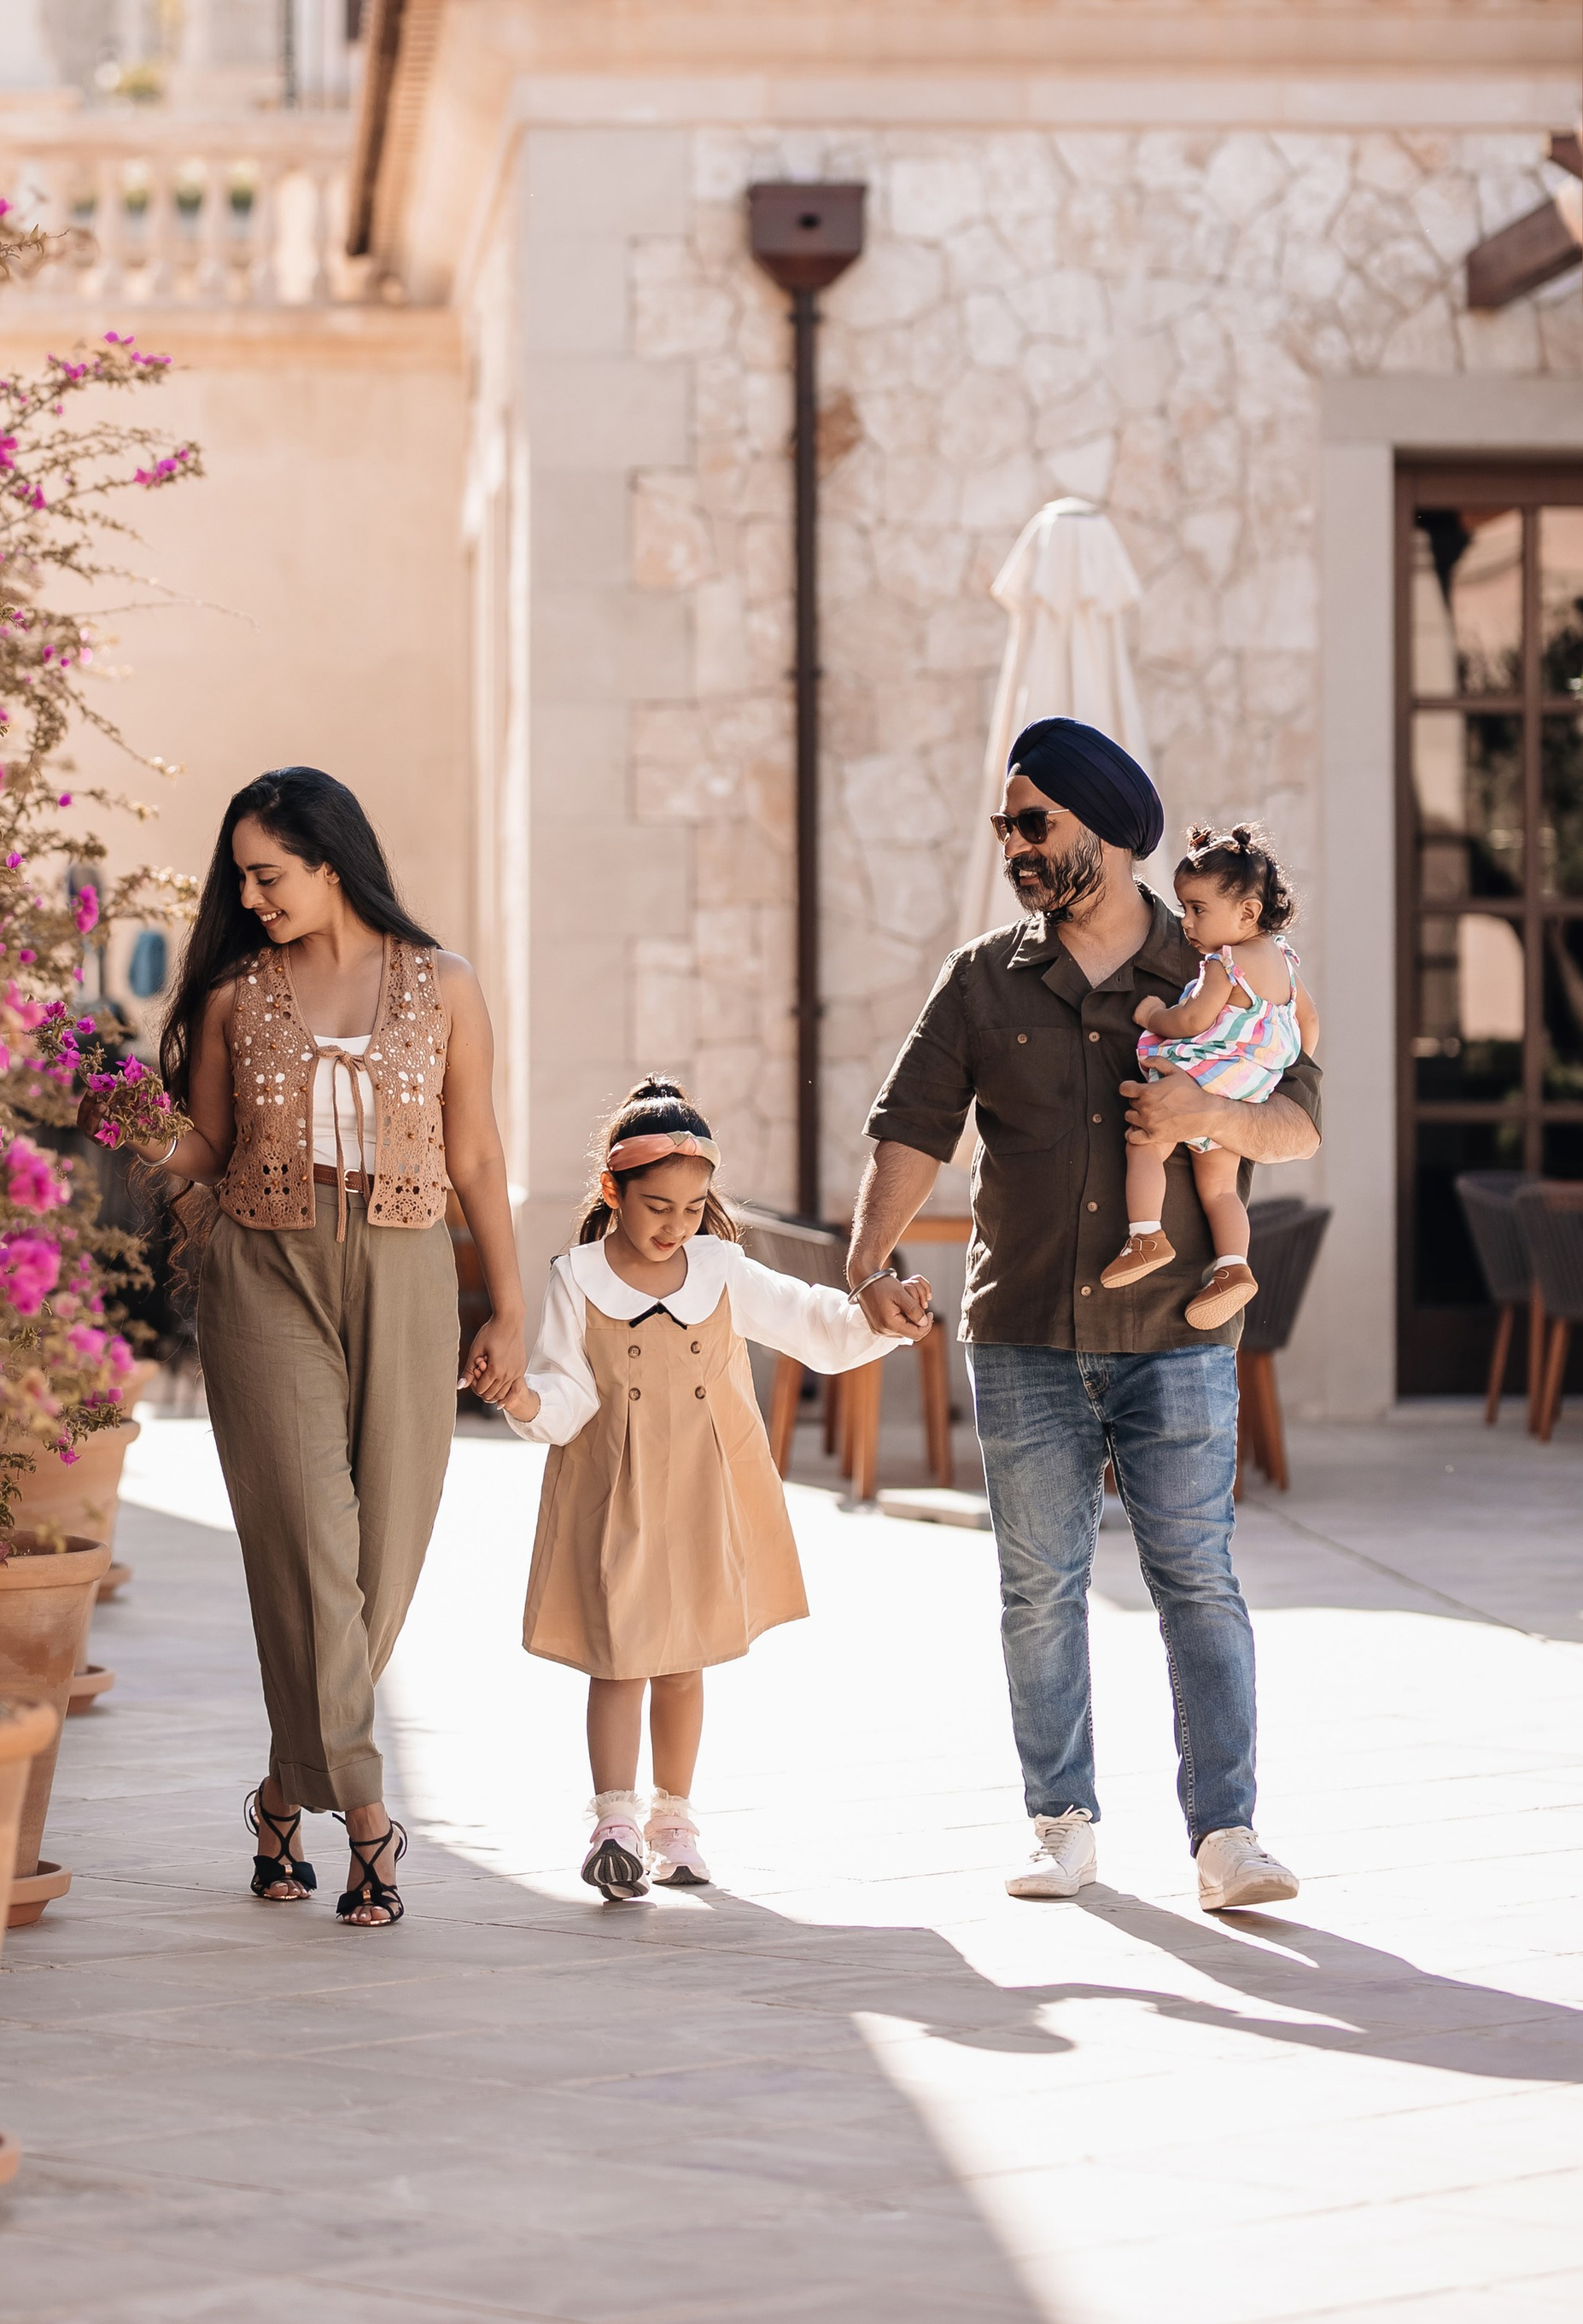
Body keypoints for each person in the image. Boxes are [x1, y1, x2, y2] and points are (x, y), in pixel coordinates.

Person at [847, 717, 1321, 1913]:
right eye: (1007, 823)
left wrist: (1208, 1113)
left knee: (1196, 1578)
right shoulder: (981, 977)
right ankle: (1062, 1819)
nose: (1012, 843)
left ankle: (1228, 1836)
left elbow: (1300, 1120)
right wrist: (867, 1263)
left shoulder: (1217, 965)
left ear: (1102, 833)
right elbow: (911, 1127)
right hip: (1022, 1334)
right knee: (1039, 1586)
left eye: (1032, 821)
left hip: (1179, 1328)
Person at [97, 767, 528, 1928]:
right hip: (265, 1266)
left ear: (330, 860)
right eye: (243, 876)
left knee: (381, 1554)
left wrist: (510, 1306)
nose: (251, 893)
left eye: (268, 872)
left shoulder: (446, 987)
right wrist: (131, 1131)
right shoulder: (239, 996)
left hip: (407, 1265)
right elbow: (203, 1147)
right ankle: (371, 1818)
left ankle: (285, 1795)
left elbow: (477, 1156)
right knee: (306, 1544)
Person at [475, 1079, 925, 1900]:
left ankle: (674, 1821)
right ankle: (612, 1820)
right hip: (615, 1493)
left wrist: (879, 1316)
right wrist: (519, 1398)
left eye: (690, 1208)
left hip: (704, 1491)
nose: (675, 1225)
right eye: (656, 1207)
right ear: (611, 1191)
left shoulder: (722, 1270)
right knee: (617, 1659)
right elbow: (566, 1394)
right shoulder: (575, 1278)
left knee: (683, 1662)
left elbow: (813, 1323)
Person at [1102, 821, 1318, 1330]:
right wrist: (1271, 1072)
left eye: (1198, 910)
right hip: (1250, 1087)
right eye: (1183, 910)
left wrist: (1153, 1015)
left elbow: (1193, 1020)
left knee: (1145, 1140)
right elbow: (1308, 1023)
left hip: (1205, 1076)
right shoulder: (1285, 962)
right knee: (1220, 1188)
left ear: (1247, 912)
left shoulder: (1225, 962)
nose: (1186, 923)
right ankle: (1232, 1267)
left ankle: (1146, 1235)